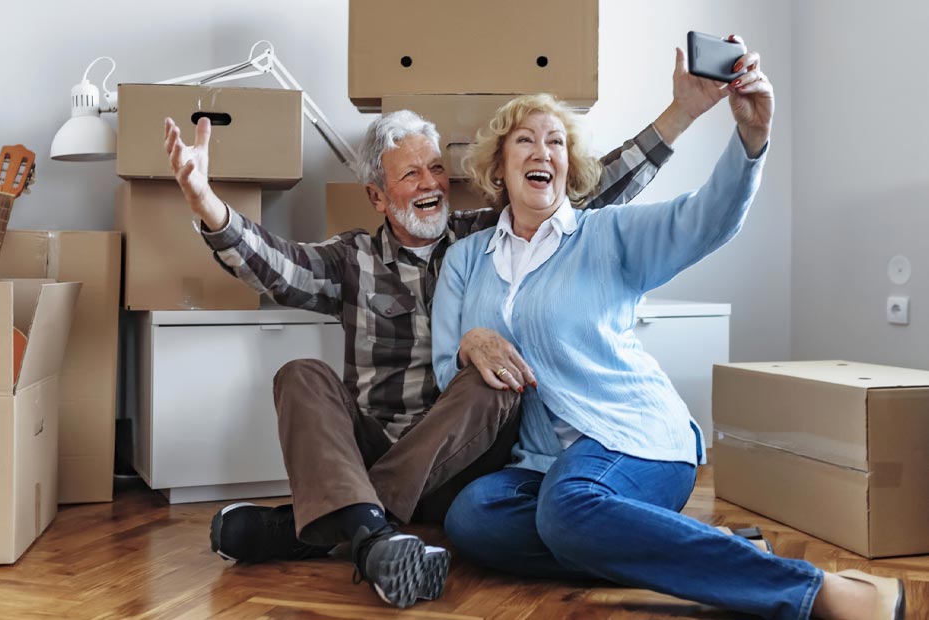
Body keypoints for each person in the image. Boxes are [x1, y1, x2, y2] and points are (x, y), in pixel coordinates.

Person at [161, 49, 723, 608]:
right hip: (379, 449)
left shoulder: (483, 234)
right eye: (410, 173)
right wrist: (209, 204)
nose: (431, 182)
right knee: (301, 374)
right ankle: (372, 536)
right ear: (377, 196)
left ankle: (335, 525)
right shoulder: (350, 259)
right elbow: (277, 267)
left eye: (436, 167)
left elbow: (590, 190)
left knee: (490, 376)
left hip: (467, 460)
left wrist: (680, 114)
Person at [431, 46, 905, 620]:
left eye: (556, 141)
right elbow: (446, 373)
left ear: (568, 164)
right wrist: (467, 343)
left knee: (566, 511)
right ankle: (697, 550)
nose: (543, 152)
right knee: (473, 520)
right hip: (538, 461)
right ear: (500, 165)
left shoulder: (607, 235)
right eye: (526, 140)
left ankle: (813, 591)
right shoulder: (464, 259)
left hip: (634, 438)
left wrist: (751, 139)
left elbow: (704, 218)